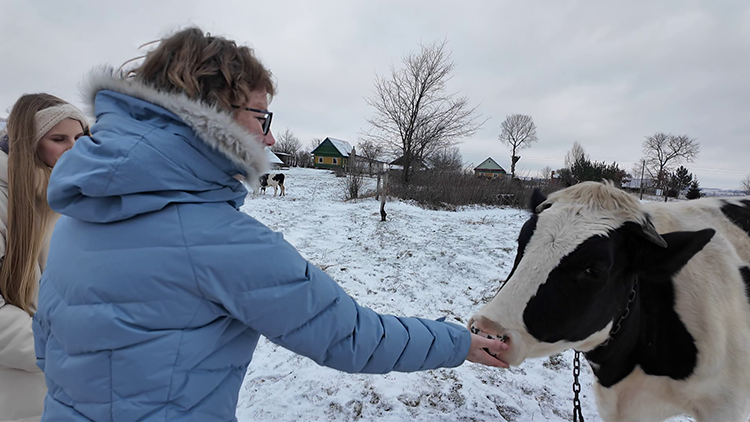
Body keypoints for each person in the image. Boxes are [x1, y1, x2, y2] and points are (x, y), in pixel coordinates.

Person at [33, 27, 508, 421]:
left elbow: (49, 349)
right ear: (214, 116)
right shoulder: (220, 241)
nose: (272, 136)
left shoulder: (76, 220)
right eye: (261, 117)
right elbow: (351, 337)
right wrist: (459, 342)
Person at [0, 94, 87, 422]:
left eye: (80, 138)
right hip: (17, 391)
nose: (74, 148)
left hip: (66, 386)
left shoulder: (67, 199)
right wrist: (58, 345)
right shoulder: (5, 200)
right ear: (29, 143)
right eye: (59, 139)